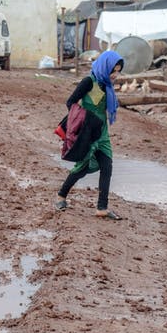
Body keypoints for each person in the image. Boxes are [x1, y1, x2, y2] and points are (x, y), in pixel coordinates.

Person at [54, 50, 123, 220]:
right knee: (82, 168)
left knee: (107, 166)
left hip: (102, 132)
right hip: (87, 132)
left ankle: (102, 208)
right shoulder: (89, 82)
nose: (115, 74)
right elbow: (70, 102)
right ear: (104, 67)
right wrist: (81, 119)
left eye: (118, 71)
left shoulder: (107, 85)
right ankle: (61, 196)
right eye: (112, 70)